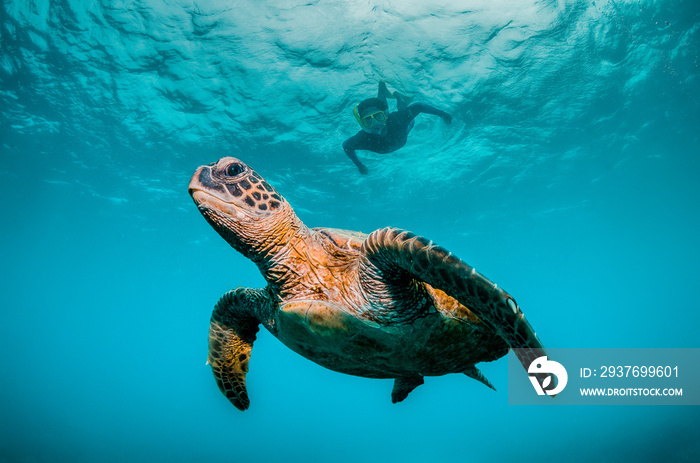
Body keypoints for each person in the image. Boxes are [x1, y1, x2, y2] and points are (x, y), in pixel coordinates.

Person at [342, 82, 453, 174]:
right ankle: (389, 92)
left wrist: (442, 114)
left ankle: (386, 88)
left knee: (407, 116)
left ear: (385, 115)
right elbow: (346, 147)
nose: (375, 123)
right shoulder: (363, 138)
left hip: (404, 128)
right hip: (400, 136)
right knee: (382, 106)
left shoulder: (396, 120)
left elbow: (419, 106)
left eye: (378, 117)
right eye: (368, 120)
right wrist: (359, 165)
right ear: (363, 123)